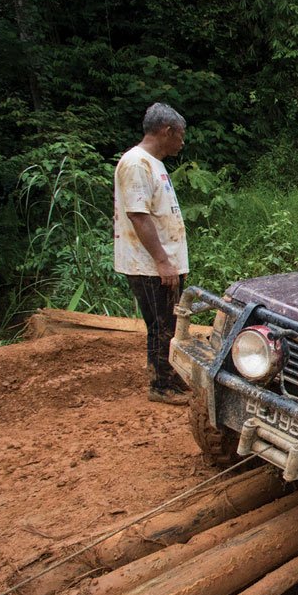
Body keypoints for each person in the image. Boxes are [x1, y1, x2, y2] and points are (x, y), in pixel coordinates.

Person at [113, 102, 190, 405]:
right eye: (180, 135)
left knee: (168, 323)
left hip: (163, 262)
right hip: (149, 265)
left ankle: (168, 376)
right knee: (161, 324)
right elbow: (138, 216)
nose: (182, 142)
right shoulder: (136, 164)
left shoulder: (153, 163)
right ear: (167, 131)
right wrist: (161, 260)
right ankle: (160, 385)